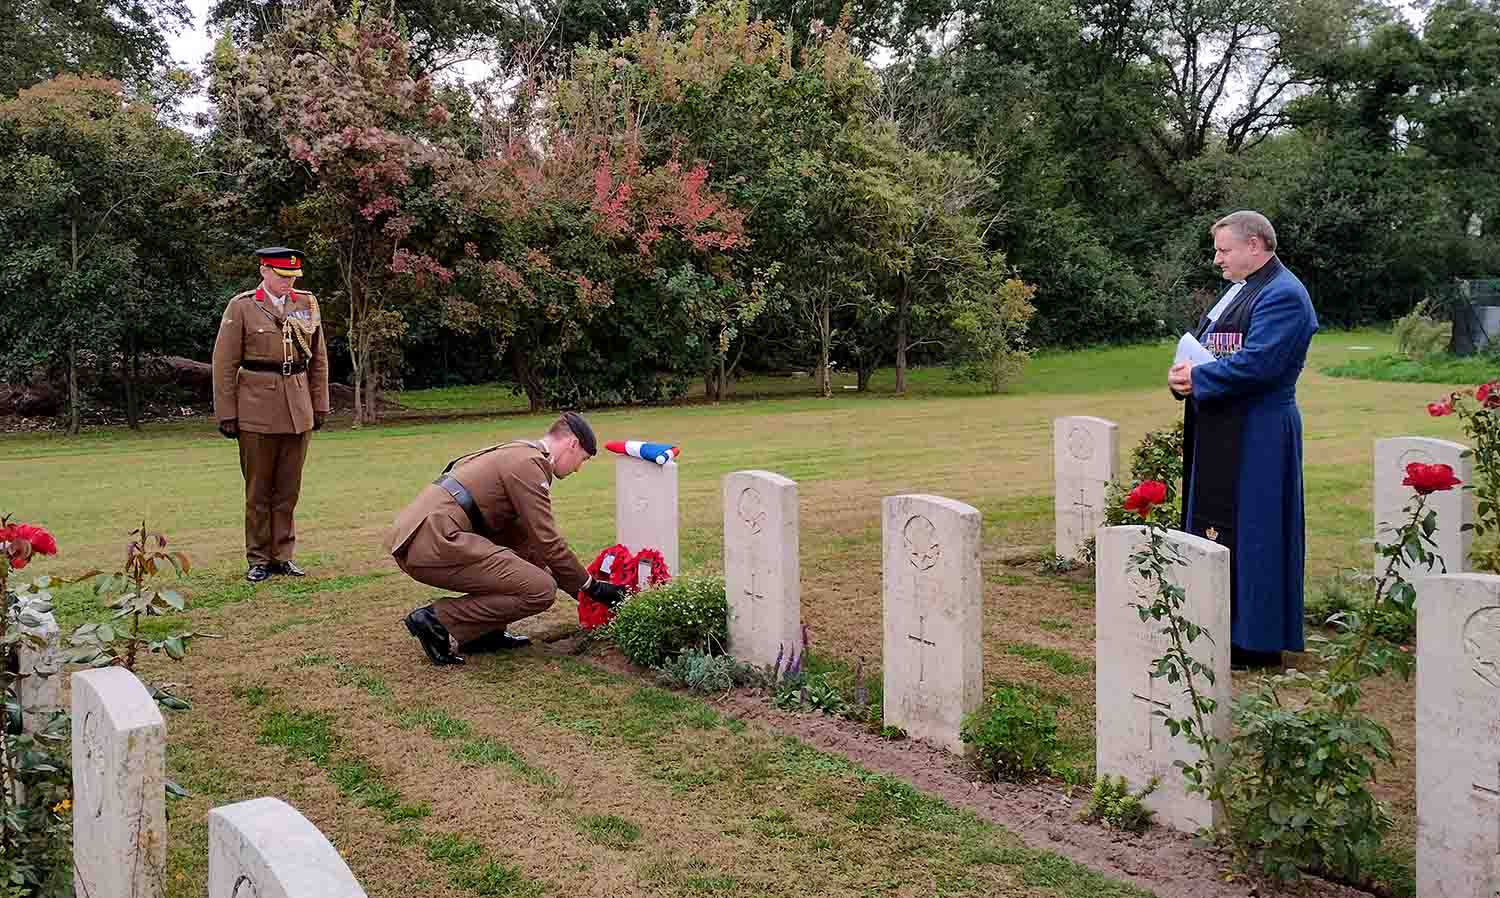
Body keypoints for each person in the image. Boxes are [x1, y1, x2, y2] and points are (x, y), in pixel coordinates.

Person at [1168, 211, 1318, 670]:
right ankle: (1216, 626)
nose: (1217, 258)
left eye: (1223, 249)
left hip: (1259, 433)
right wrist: (1183, 378)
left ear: (1255, 245)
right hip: (1223, 426)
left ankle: (1256, 640)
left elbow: (1261, 364)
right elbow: (1211, 348)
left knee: (1257, 531)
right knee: (1218, 527)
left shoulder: (1284, 295)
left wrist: (1200, 376)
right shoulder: (1240, 290)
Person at [385, 412, 627, 665]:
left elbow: (529, 546)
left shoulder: (519, 452)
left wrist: (580, 590)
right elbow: (548, 542)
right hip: (433, 540)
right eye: (583, 459)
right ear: (572, 444)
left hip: (424, 537)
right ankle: (436, 619)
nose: (579, 468)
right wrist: (592, 587)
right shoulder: (530, 465)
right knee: (540, 590)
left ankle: (484, 635)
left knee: (525, 569)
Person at [213, 247, 330, 583]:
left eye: (292, 277)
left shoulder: (306, 304)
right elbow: (224, 364)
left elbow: (318, 359)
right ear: (264, 271)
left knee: (288, 490)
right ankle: (259, 558)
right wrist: (227, 412)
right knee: (258, 490)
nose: (287, 283)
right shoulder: (243, 306)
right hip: (256, 410)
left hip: (297, 408)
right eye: (281, 276)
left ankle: (284, 555)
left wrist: (319, 404)